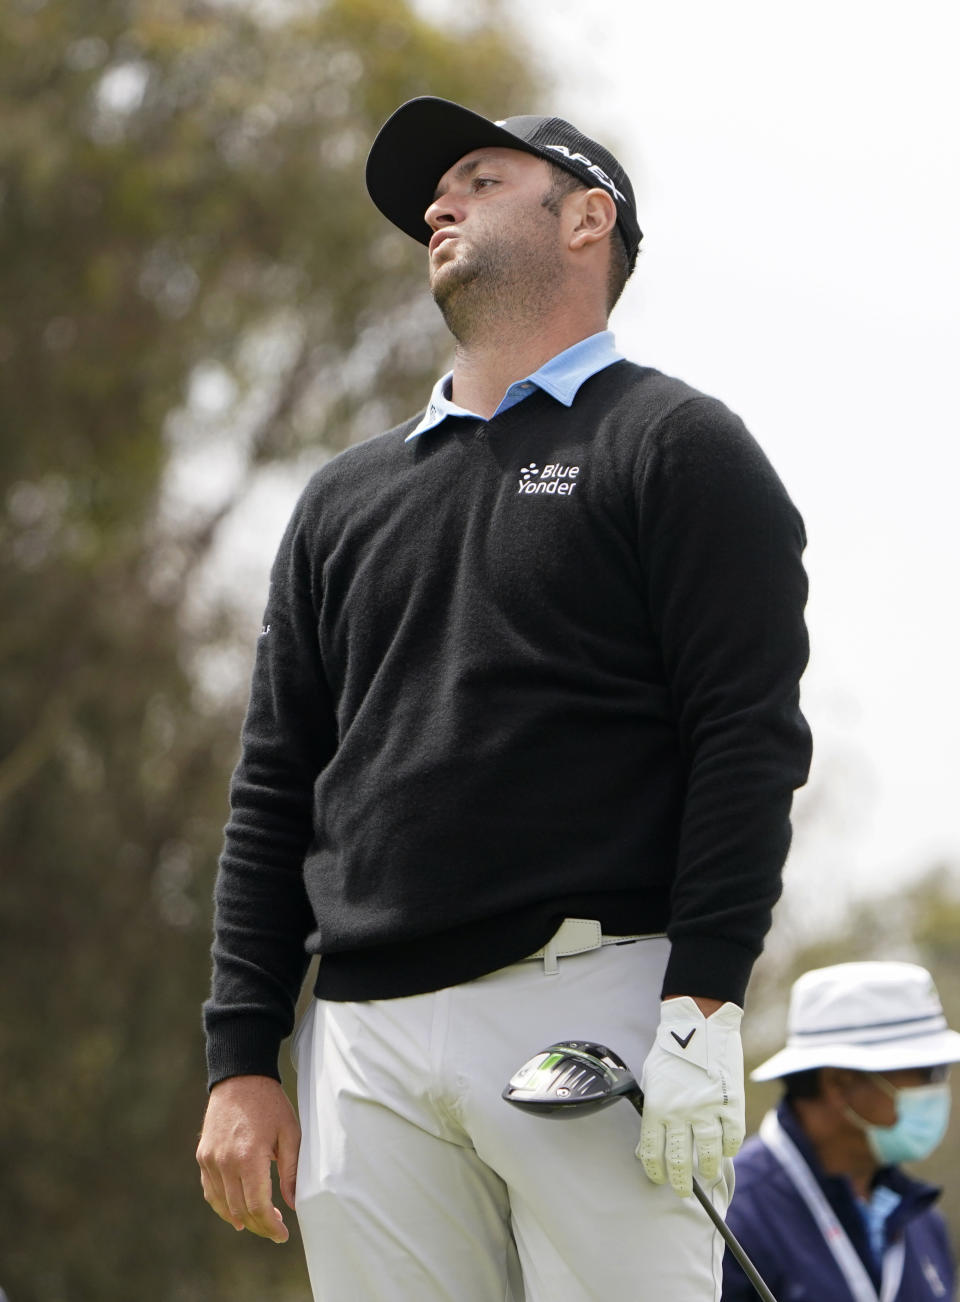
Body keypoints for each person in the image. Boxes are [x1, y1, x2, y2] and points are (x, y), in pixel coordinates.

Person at [196, 95, 812, 1301]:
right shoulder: (342, 498)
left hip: (592, 1010)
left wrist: (705, 1002)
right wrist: (240, 1056)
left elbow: (748, 738)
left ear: (588, 219)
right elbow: (276, 785)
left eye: (480, 178)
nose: (440, 203)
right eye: (441, 192)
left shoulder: (675, 446)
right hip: (360, 1039)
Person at [723, 961, 960, 1302]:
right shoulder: (733, 1217)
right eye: (927, 1071)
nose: (939, 1089)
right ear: (839, 1084)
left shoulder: (922, 1222)